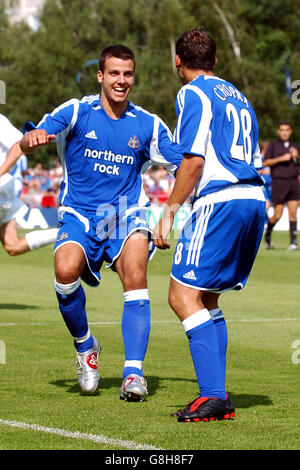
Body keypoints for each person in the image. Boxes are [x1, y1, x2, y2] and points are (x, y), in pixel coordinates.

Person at [20, 45, 181, 400]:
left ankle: (133, 375)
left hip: (127, 213)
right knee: (65, 272)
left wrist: (171, 210)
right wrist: (31, 140)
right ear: (100, 75)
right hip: (79, 212)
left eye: (127, 74)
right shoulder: (77, 110)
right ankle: (85, 346)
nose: (121, 81)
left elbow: (183, 165)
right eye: (114, 73)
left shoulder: (148, 123)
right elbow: (37, 135)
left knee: (136, 276)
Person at [153, 28, 266, 422]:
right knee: (207, 298)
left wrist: (169, 211)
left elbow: (194, 160)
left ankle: (213, 395)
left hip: (221, 200)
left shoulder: (192, 93)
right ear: (216, 61)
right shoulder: (240, 97)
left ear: (178, 62)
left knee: (181, 296)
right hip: (254, 198)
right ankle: (219, 396)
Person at [0, 114, 58, 256]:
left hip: (2, 189)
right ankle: (65, 233)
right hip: (6, 191)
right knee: (13, 245)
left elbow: (18, 145)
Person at [263, 121, 300, 250]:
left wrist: (297, 157)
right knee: (277, 215)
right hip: (279, 182)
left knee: (293, 212)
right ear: (278, 132)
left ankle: (293, 242)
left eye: (287, 130)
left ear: (290, 132)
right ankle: (267, 235)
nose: (284, 132)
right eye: (282, 130)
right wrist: (280, 159)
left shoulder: (295, 146)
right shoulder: (273, 146)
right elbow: (266, 161)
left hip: (293, 182)